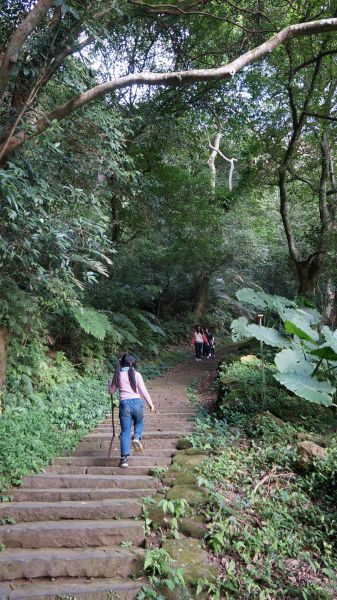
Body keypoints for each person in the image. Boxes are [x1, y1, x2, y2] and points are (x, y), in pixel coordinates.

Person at [108, 352, 155, 468]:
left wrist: (109, 383)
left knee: (125, 431)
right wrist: (150, 404)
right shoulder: (137, 374)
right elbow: (143, 390)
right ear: (134, 363)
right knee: (139, 422)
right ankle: (137, 437)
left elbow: (111, 391)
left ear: (122, 362)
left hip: (124, 404)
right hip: (137, 403)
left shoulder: (117, 375)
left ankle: (124, 460)